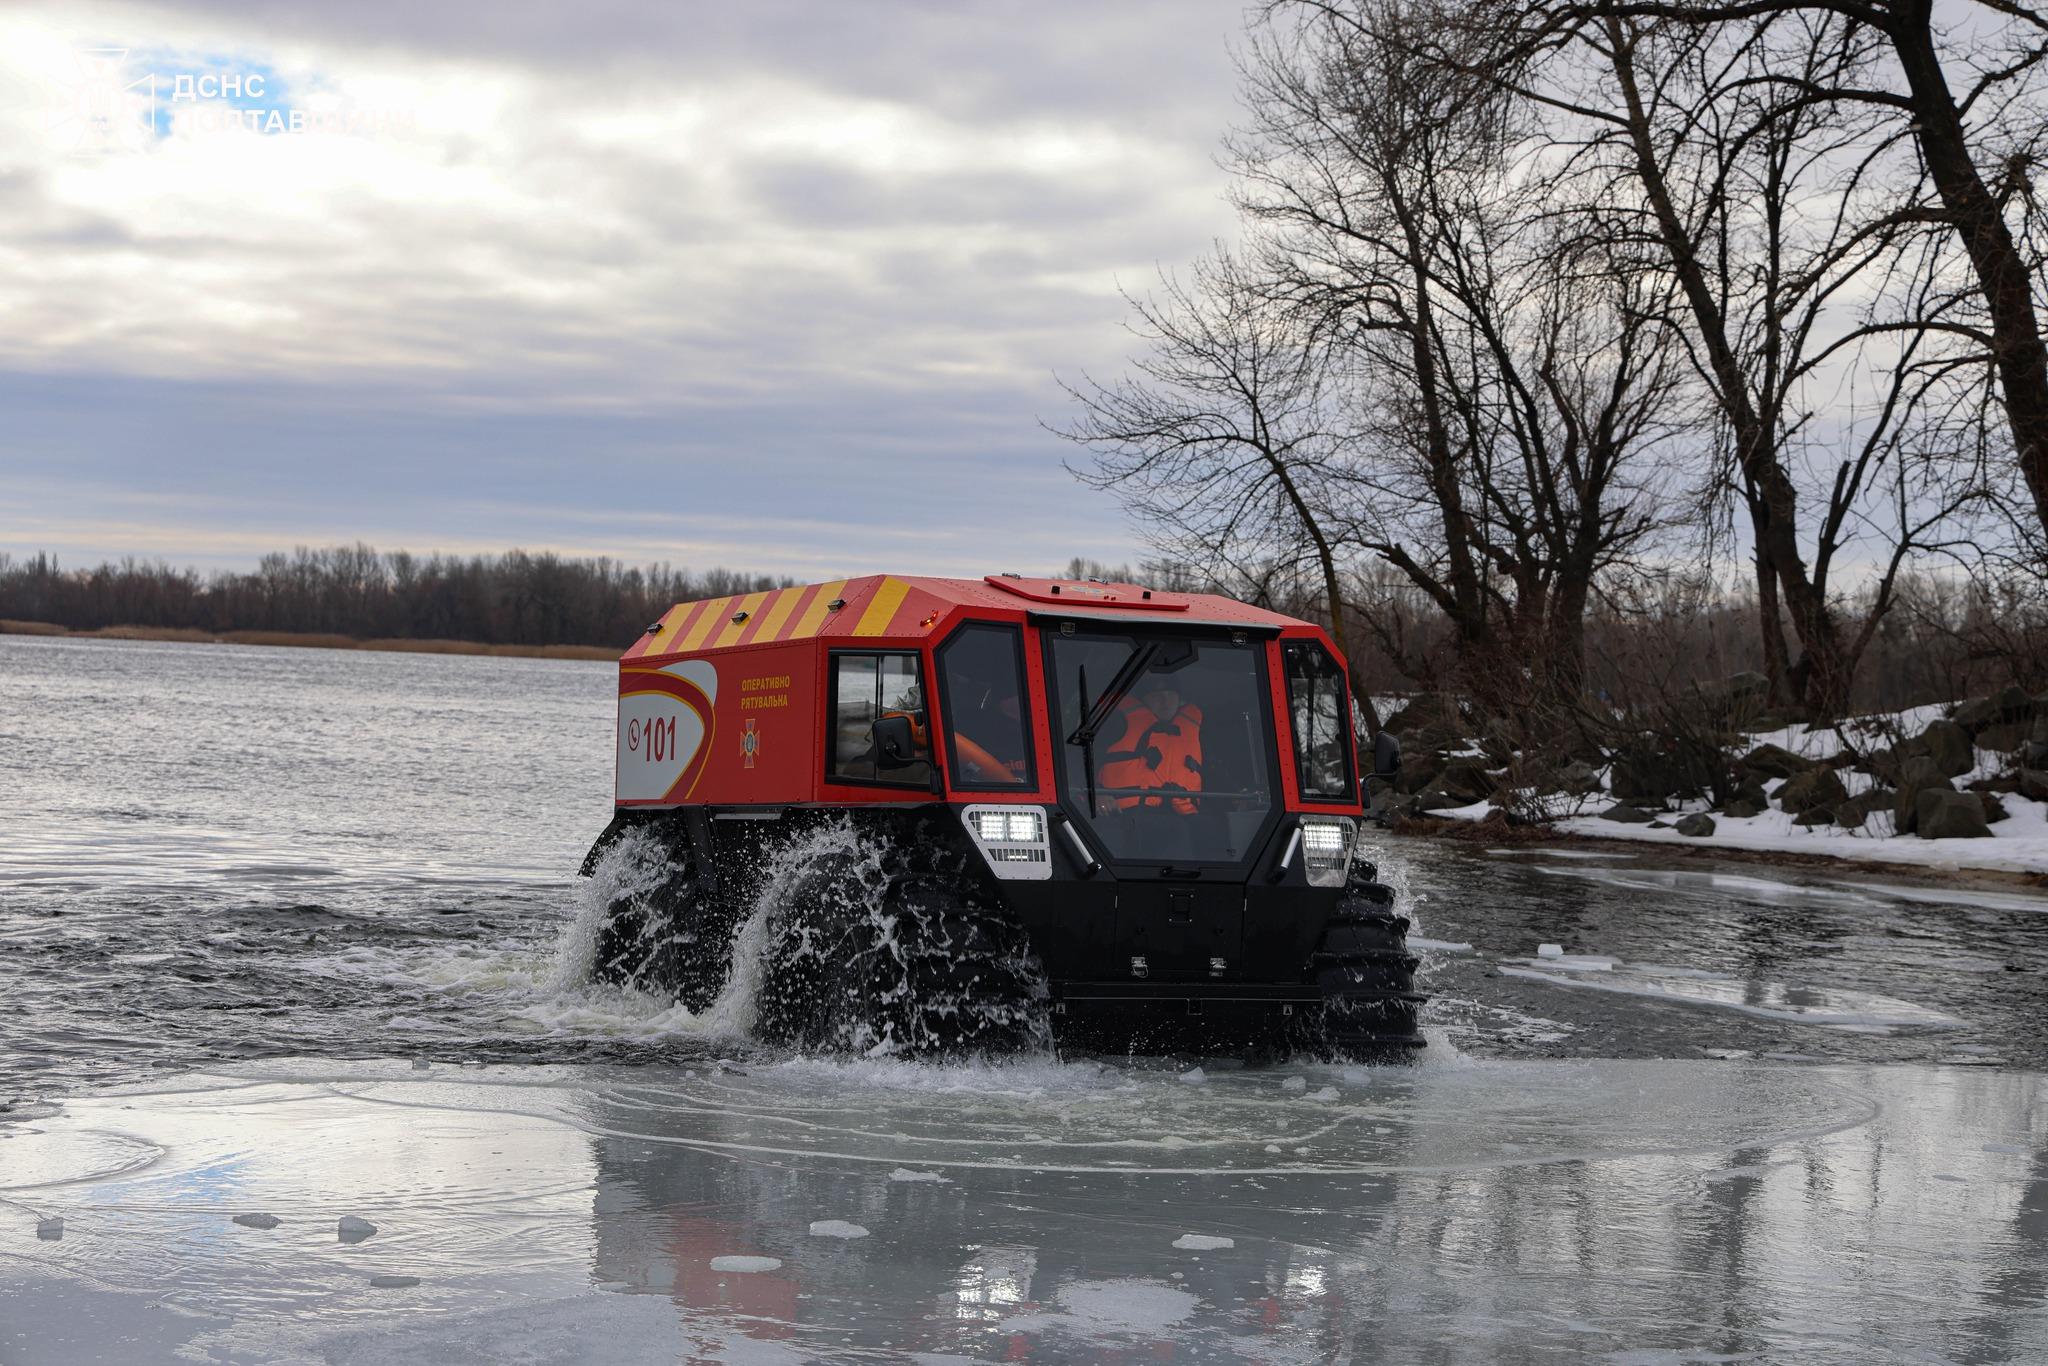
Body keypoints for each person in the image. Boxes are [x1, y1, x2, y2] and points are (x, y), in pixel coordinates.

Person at [1098, 681, 1203, 814]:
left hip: (1186, 817)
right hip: (1128, 817)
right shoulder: (1115, 724)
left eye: (1171, 694)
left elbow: (1215, 770)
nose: (1165, 701)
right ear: (1143, 700)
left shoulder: (1195, 730)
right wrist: (1096, 794)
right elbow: (1079, 763)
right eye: (1157, 695)